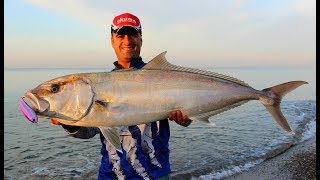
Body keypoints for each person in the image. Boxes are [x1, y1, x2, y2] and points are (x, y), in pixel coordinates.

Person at [51, 12, 192, 180]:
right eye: (121, 35)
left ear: (141, 39)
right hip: (111, 174)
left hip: (156, 174)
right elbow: (89, 132)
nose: (127, 40)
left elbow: (188, 110)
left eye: (133, 34)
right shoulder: (100, 85)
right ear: (112, 40)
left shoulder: (159, 75)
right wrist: (69, 124)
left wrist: (187, 117)